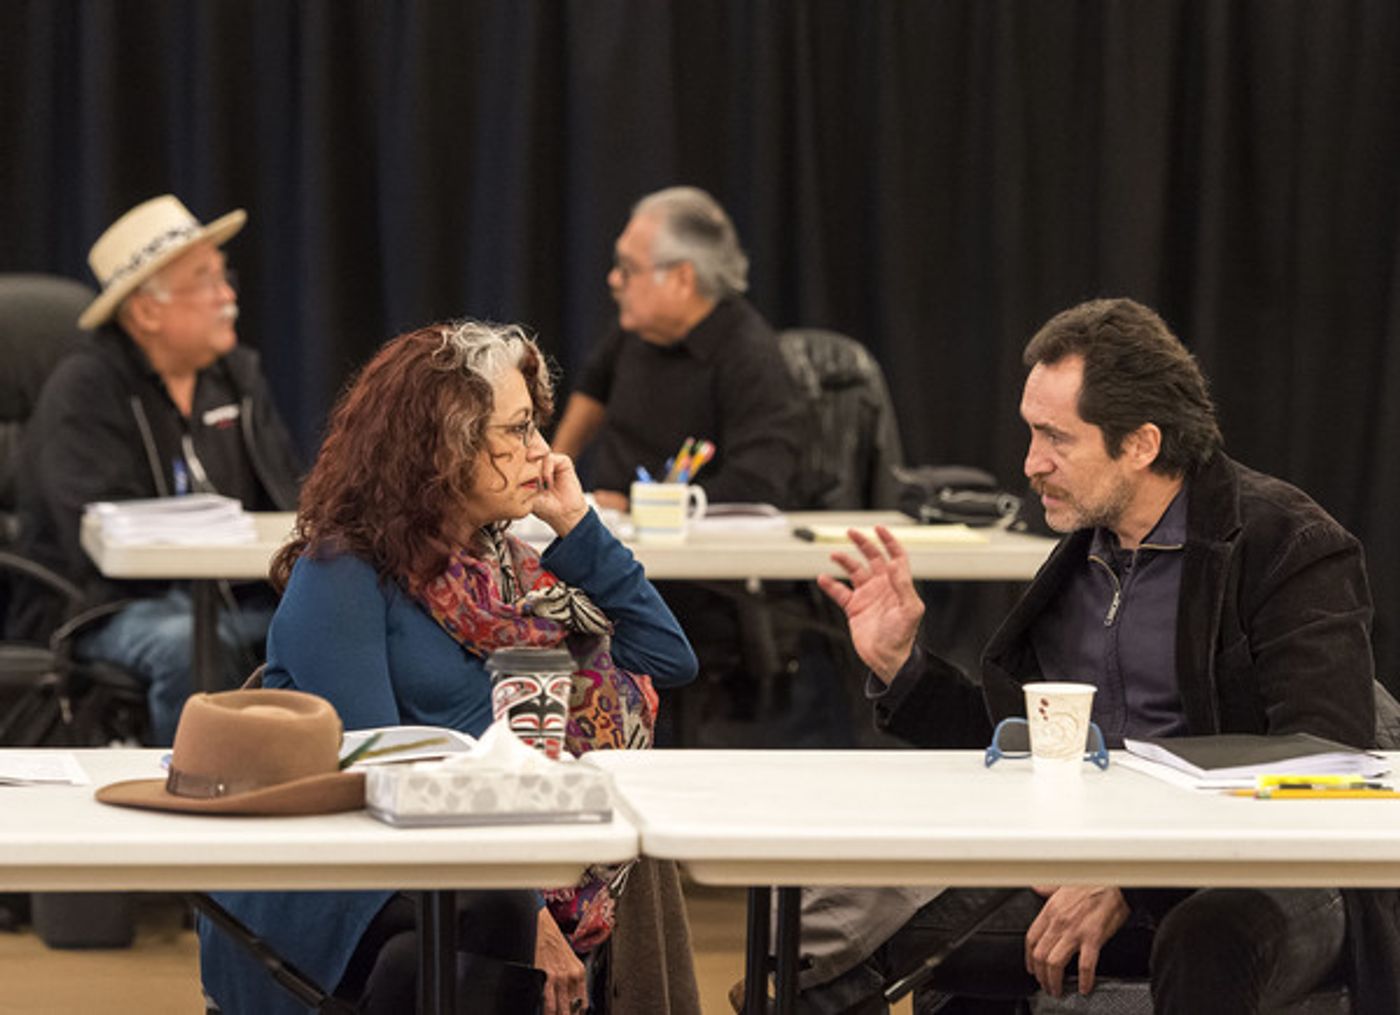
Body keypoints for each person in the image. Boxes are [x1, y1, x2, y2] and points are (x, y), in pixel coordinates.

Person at [804, 298, 1396, 1013]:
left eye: (1056, 437)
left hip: (1282, 869)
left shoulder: (1286, 544)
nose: (1030, 464)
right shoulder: (1080, 561)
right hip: (1103, 858)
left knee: (1210, 939)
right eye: (1030, 432)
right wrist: (904, 665)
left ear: (1142, 443)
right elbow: (1019, 751)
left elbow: (1324, 766)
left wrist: (1132, 878)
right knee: (874, 939)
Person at [197, 320, 698, 1015]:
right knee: (482, 920)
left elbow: (667, 656)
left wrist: (578, 524)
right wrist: (532, 914)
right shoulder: (344, 572)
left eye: (534, 426)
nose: (541, 450)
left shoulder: (507, 570)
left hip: (479, 873)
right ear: (446, 446)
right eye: (517, 430)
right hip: (349, 882)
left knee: (483, 921)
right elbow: (376, 773)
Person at [12, 194, 302, 745]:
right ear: (145, 311)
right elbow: (95, 536)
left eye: (225, 277)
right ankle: (191, 792)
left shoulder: (237, 378)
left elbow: (286, 493)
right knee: (185, 645)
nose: (228, 298)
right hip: (107, 605)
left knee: (323, 625)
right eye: (206, 282)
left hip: (230, 596)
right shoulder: (86, 389)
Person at [552, 185, 802, 509]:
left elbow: (758, 481)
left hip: (692, 543)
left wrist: (639, 507)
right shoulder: (639, 329)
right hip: (613, 524)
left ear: (683, 279)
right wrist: (555, 465)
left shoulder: (751, 357)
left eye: (629, 269)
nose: (614, 279)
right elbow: (592, 388)